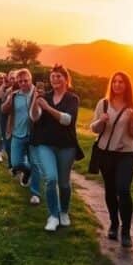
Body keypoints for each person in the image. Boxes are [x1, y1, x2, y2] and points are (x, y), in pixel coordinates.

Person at [90, 71, 133, 247]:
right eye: (115, 82)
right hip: (106, 153)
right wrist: (101, 121)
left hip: (127, 154)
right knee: (110, 190)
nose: (117, 85)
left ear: (127, 85)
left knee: (124, 189)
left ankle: (126, 231)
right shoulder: (103, 104)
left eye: (121, 82)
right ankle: (114, 223)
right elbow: (94, 129)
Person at [30, 65, 81, 232]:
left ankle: (64, 211)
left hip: (66, 146)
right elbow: (35, 117)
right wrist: (34, 101)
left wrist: (48, 108)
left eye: (58, 76)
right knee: (51, 179)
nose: (55, 79)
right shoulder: (45, 96)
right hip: (45, 144)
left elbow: (67, 120)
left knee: (64, 183)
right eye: (52, 77)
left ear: (66, 79)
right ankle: (53, 215)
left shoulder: (72, 99)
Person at [1, 68, 41, 204]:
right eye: (20, 81)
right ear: (17, 82)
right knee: (16, 163)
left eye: (26, 81)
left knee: (35, 164)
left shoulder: (38, 94)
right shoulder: (14, 95)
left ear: (30, 80)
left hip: (34, 135)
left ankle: (35, 194)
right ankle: (27, 171)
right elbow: (3, 110)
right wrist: (8, 101)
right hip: (17, 133)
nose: (23, 83)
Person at [0, 71, 17, 167]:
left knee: (16, 142)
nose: (13, 80)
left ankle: (17, 163)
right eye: (11, 78)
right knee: (7, 142)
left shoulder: (23, 89)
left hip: (16, 118)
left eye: (15, 78)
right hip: (4, 117)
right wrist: (4, 85)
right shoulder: (7, 89)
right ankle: (10, 162)